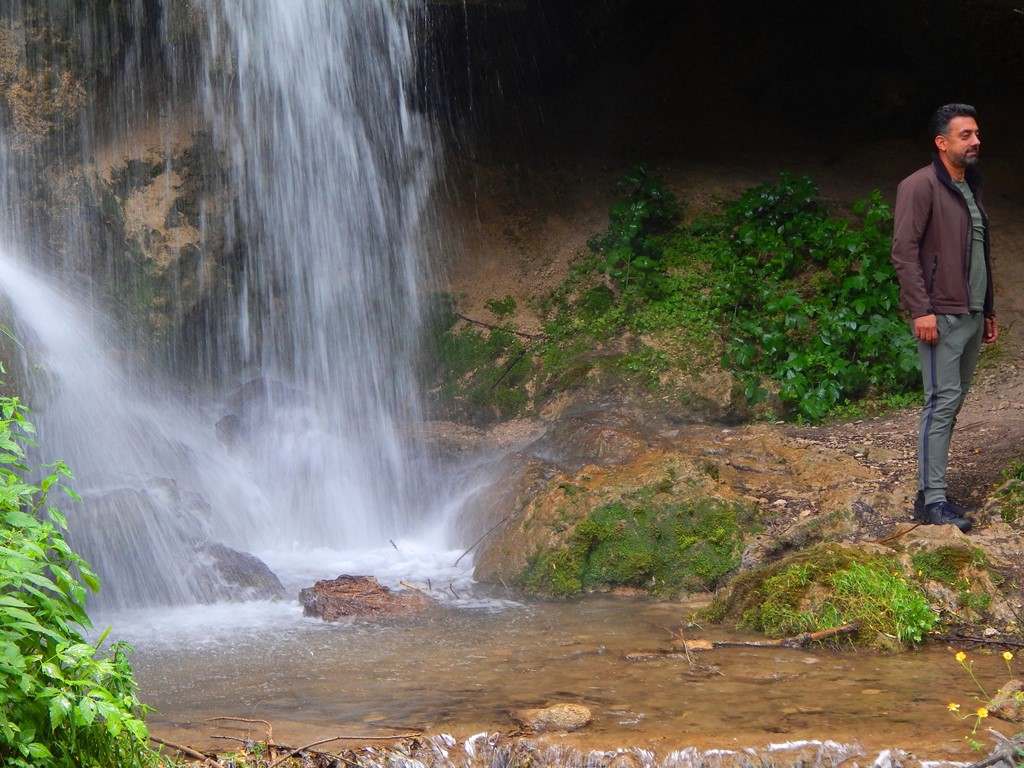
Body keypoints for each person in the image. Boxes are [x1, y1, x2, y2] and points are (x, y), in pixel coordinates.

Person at [890, 103, 997, 533]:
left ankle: (934, 489)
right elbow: (904, 251)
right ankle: (931, 501)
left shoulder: (968, 187)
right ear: (942, 142)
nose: (975, 141)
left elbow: (979, 254)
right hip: (941, 315)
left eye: (976, 134)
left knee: (950, 404)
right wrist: (922, 309)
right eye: (965, 135)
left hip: (970, 314)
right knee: (940, 403)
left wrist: (987, 309)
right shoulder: (919, 186)